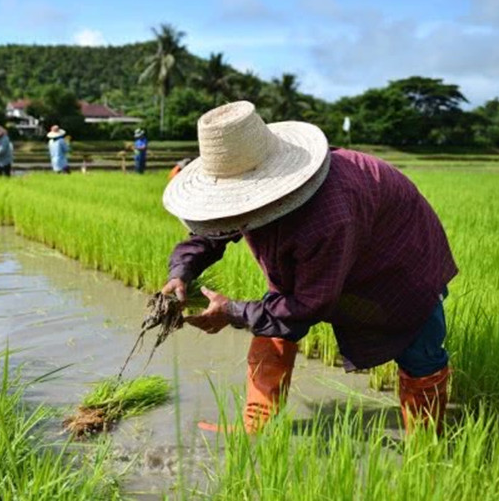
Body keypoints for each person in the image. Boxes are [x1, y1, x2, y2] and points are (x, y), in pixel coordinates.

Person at [161, 101, 457, 435]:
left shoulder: (328, 216)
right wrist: (181, 271)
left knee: (419, 349)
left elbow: (309, 304)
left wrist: (232, 311)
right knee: (274, 320)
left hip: (400, 265)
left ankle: (426, 445)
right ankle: (256, 425)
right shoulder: (253, 187)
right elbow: (213, 231)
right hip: (339, 245)